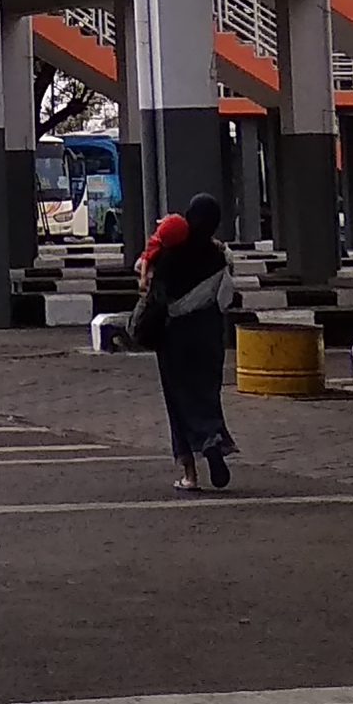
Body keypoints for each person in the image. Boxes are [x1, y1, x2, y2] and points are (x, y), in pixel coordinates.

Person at [148, 193, 238, 492]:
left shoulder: (171, 254)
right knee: (207, 394)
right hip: (210, 332)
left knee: (179, 399)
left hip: (176, 336)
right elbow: (227, 296)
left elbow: (154, 291)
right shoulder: (219, 255)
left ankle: (190, 473)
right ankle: (212, 435)